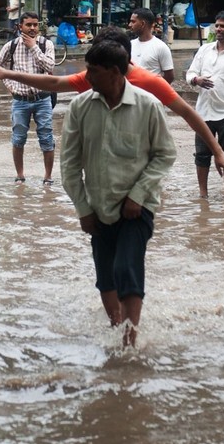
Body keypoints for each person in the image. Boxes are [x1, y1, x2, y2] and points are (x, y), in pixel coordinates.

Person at [0, 27, 224, 179]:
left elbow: (188, 114)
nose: (90, 75)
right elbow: (55, 83)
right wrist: (7, 73)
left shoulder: (148, 82)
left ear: (114, 66)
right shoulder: (94, 76)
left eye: (96, 67)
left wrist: (218, 151)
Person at [60, 40, 176, 347]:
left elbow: (165, 154)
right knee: (106, 275)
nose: (87, 77)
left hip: (138, 206)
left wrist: (138, 194)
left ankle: (129, 339)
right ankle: (115, 327)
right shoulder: (80, 107)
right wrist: (82, 208)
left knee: (126, 266)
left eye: (93, 71)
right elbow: (69, 164)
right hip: (98, 207)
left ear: (114, 72)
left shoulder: (147, 105)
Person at [186, 11, 224, 199]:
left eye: (223, 26)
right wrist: (196, 80)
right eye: (217, 25)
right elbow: (190, 74)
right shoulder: (204, 50)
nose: (219, 29)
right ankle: (203, 195)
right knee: (202, 156)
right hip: (203, 112)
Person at [0, 11, 55, 184]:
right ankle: (20, 175)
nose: (32, 28)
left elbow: (50, 65)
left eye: (35, 25)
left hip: (43, 99)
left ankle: (48, 177)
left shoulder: (46, 44)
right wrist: (10, 85)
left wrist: (33, 47)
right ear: (20, 26)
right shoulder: (11, 46)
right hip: (20, 101)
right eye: (28, 25)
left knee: (47, 138)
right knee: (18, 138)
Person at [128, 7, 174, 83]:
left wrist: (155, 89)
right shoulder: (130, 45)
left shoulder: (161, 47)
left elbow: (169, 76)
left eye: (133, 22)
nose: (130, 25)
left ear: (142, 24)